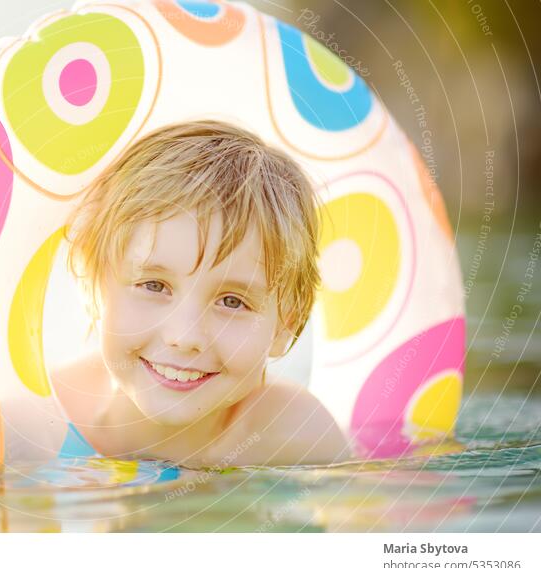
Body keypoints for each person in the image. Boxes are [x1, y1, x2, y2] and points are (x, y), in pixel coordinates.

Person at [52, 119, 350, 468]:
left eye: (232, 301)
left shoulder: (298, 441)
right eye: (154, 285)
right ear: (94, 283)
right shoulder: (30, 431)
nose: (184, 336)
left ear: (286, 325)